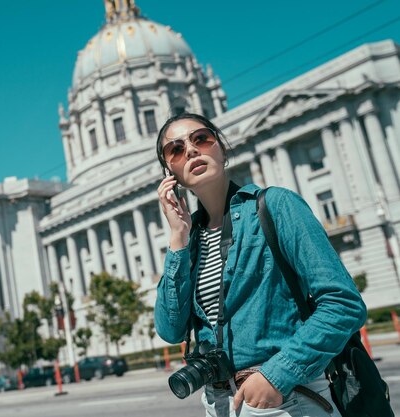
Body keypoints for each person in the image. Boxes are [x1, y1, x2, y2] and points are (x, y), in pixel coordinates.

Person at [153, 112, 367, 417]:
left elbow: (343, 304)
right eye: (175, 149)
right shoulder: (189, 242)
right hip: (219, 405)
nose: (190, 150)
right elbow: (171, 330)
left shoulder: (275, 205)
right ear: (169, 172)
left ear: (221, 149)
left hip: (286, 398)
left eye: (201, 138)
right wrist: (177, 238)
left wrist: (277, 375)